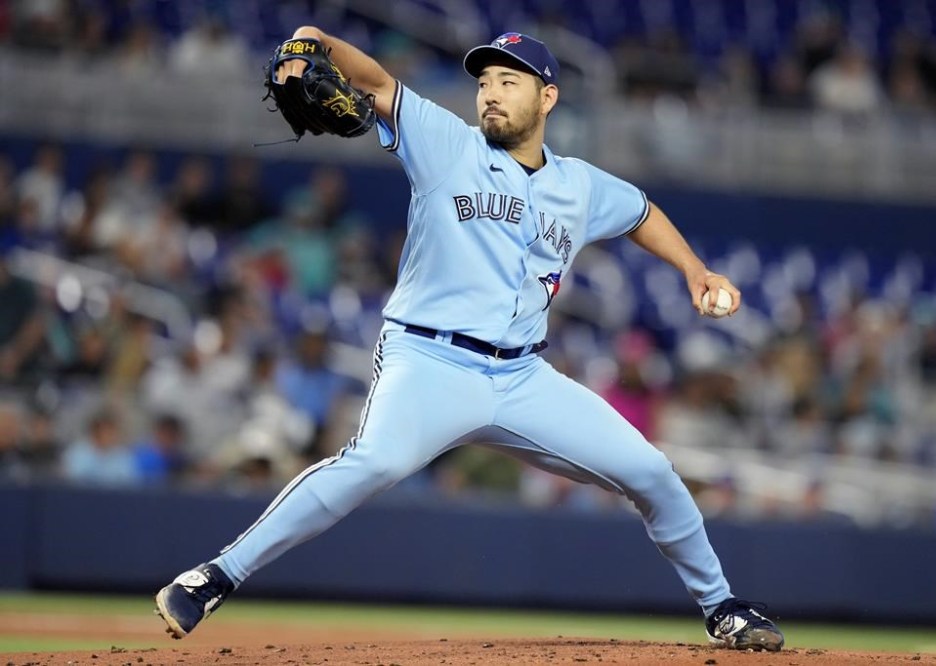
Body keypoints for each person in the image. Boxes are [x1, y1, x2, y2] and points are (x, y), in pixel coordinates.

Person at [155, 29, 784, 652]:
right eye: (484, 81)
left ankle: (722, 607)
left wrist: (695, 271)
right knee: (371, 463)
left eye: (509, 81)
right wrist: (312, 40)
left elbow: (643, 213)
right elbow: (372, 81)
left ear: (548, 99)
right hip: (428, 360)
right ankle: (215, 575)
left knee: (652, 471)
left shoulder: (581, 186)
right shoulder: (443, 142)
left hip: (522, 378)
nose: (490, 93)